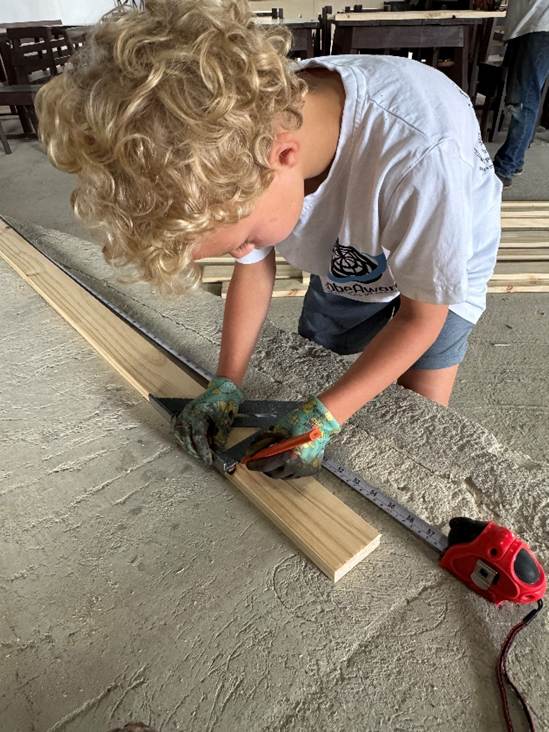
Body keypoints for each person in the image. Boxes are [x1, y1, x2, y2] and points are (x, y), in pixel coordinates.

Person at [36, 0, 502, 480]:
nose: (243, 251)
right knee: (316, 361)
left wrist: (326, 417)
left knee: (419, 418)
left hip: (443, 255)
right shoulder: (239, 135)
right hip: (347, 248)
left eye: (244, 239)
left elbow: (422, 318)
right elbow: (254, 264)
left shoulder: (423, 159)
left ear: (283, 155)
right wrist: (226, 383)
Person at [493, 0, 549, 187]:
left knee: (523, 100)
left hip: (539, 26)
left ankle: (505, 166)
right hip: (530, 25)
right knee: (523, 97)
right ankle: (515, 161)